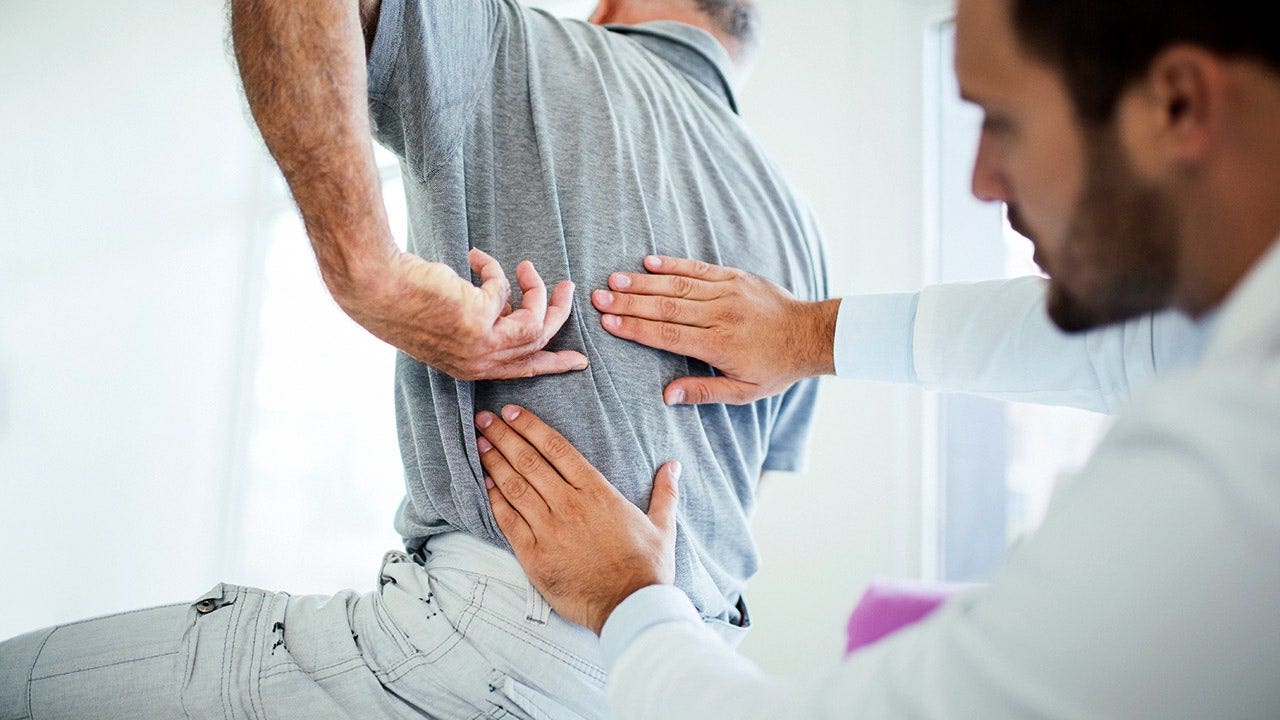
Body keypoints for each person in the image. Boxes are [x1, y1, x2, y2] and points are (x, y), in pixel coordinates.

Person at [0, 0, 832, 718]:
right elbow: (729, 502)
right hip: (673, 674)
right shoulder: (803, 247)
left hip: (501, 645)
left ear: (612, 5)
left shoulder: (523, 43)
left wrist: (370, 275)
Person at [471, 0, 1280, 716]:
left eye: (1002, 120)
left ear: (1177, 103)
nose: (980, 181)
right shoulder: (1228, 354)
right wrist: (807, 334)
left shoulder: (1236, 469)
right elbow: (1128, 349)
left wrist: (628, 598)